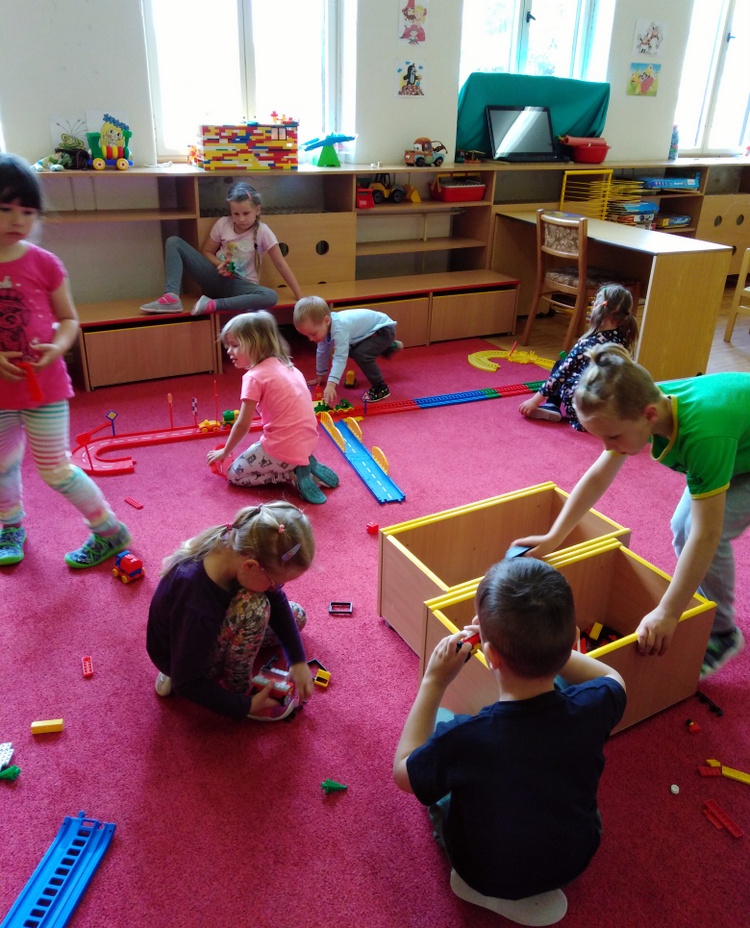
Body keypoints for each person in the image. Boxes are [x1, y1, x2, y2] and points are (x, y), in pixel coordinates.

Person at [393, 557, 625, 926]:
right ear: (572, 640)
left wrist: (432, 683)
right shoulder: (596, 703)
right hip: (574, 857)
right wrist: (551, 649)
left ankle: (481, 889)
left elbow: (404, 773)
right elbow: (613, 677)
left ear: (490, 656)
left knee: (438, 728)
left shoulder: (463, 737)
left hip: (482, 872)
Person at [515, 342, 750, 677]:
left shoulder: (702, 438)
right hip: (736, 441)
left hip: (728, 442)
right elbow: (598, 476)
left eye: (612, 437)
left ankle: (723, 632)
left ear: (649, 416)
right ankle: (704, 603)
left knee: (704, 529)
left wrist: (668, 612)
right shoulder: (640, 403)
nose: (608, 448)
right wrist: (554, 536)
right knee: (684, 527)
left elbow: (707, 534)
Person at [0, 152, 131, 568]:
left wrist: (57, 348)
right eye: (4, 209)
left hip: (45, 388)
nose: (16, 220)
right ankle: (10, 527)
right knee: (1, 465)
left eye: (27, 211)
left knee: (55, 468)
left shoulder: (45, 264)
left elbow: (69, 319)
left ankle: (109, 530)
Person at [146, 501, 315, 721]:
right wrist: (246, 706)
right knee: (254, 607)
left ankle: (195, 658)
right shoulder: (197, 605)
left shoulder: (235, 547)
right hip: (180, 658)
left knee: (296, 615)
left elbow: (276, 598)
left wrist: (297, 658)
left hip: (203, 631)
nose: (276, 588)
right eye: (274, 581)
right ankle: (239, 689)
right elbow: (186, 683)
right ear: (250, 566)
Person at [206, 310, 339, 505]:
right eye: (228, 346)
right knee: (270, 451)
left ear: (256, 343)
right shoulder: (288, 366)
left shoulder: (253, 377)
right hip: (308, 441)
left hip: (281, 448)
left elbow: (243, 424)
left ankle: (290, 474)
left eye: (235, 345)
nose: (229, 351)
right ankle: (302, 463)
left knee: (234, 474)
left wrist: (225, 452)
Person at [140, 181, 303, 316]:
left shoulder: (263, 231)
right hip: (214, 278)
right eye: (236, 214)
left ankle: (213, 305)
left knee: (270, 296)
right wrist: (219, 264)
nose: (241, 219)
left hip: (241, 287)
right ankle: (171, 297)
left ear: (258, 210)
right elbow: (207, 251)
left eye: (246, 213)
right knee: (174, 242)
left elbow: (280, 264)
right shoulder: (223, 224)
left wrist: (299, 296)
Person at [519, 284, 638, 431]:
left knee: (562, 365)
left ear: (596, 307)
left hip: (584, 417)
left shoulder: (587, 343)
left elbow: (561, 375)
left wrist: (534, 401)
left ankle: (552, 404)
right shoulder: (624, 341)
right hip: (610, 415)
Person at [293, 295, 402, 405]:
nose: (311, 339)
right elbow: (322, 351)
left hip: (383, 331)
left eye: (313, 334)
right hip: (368, 334)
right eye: (307, 336)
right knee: (349, 349)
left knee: (360, 354)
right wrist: (320, 375)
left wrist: (331, 384)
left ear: (326, 320)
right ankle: (387, 347)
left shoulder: (339, 329)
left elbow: (340, 357)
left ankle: (381, 387)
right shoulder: (324, 326)